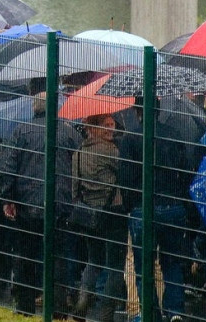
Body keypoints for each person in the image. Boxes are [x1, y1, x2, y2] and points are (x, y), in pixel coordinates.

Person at [0, 93, 83, 315]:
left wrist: (8, 198)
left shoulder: (21, 132)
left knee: (25, 255)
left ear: (35, 108)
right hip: (60, 203)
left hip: (27, 204)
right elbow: (79, 166)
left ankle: (24, 305)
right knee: (58, 257)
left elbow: (7, 168)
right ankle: (57, 308)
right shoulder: (69, 133)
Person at [70, 114, 123, 320]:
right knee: (115, 265)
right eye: (105, 126)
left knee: (94, 260)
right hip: (112, 212)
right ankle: (106, 312)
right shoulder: (111, 151)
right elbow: (124, 172)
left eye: (112, 125)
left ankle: (83, 300)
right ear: (94, 127)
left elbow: (74, 187)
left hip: (88, 214)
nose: (111, 129)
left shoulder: (79, 152)